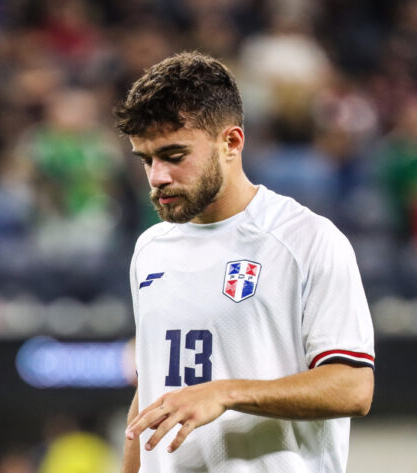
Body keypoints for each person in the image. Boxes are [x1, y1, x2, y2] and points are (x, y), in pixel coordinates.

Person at [115, 51, 375, 473]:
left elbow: (353, 386)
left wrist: (225, 393)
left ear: (231, 142)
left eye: (174, 155)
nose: (157, 176)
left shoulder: (305, 240)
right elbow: (152, 392)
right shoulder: (150, 249)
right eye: (146, 160)